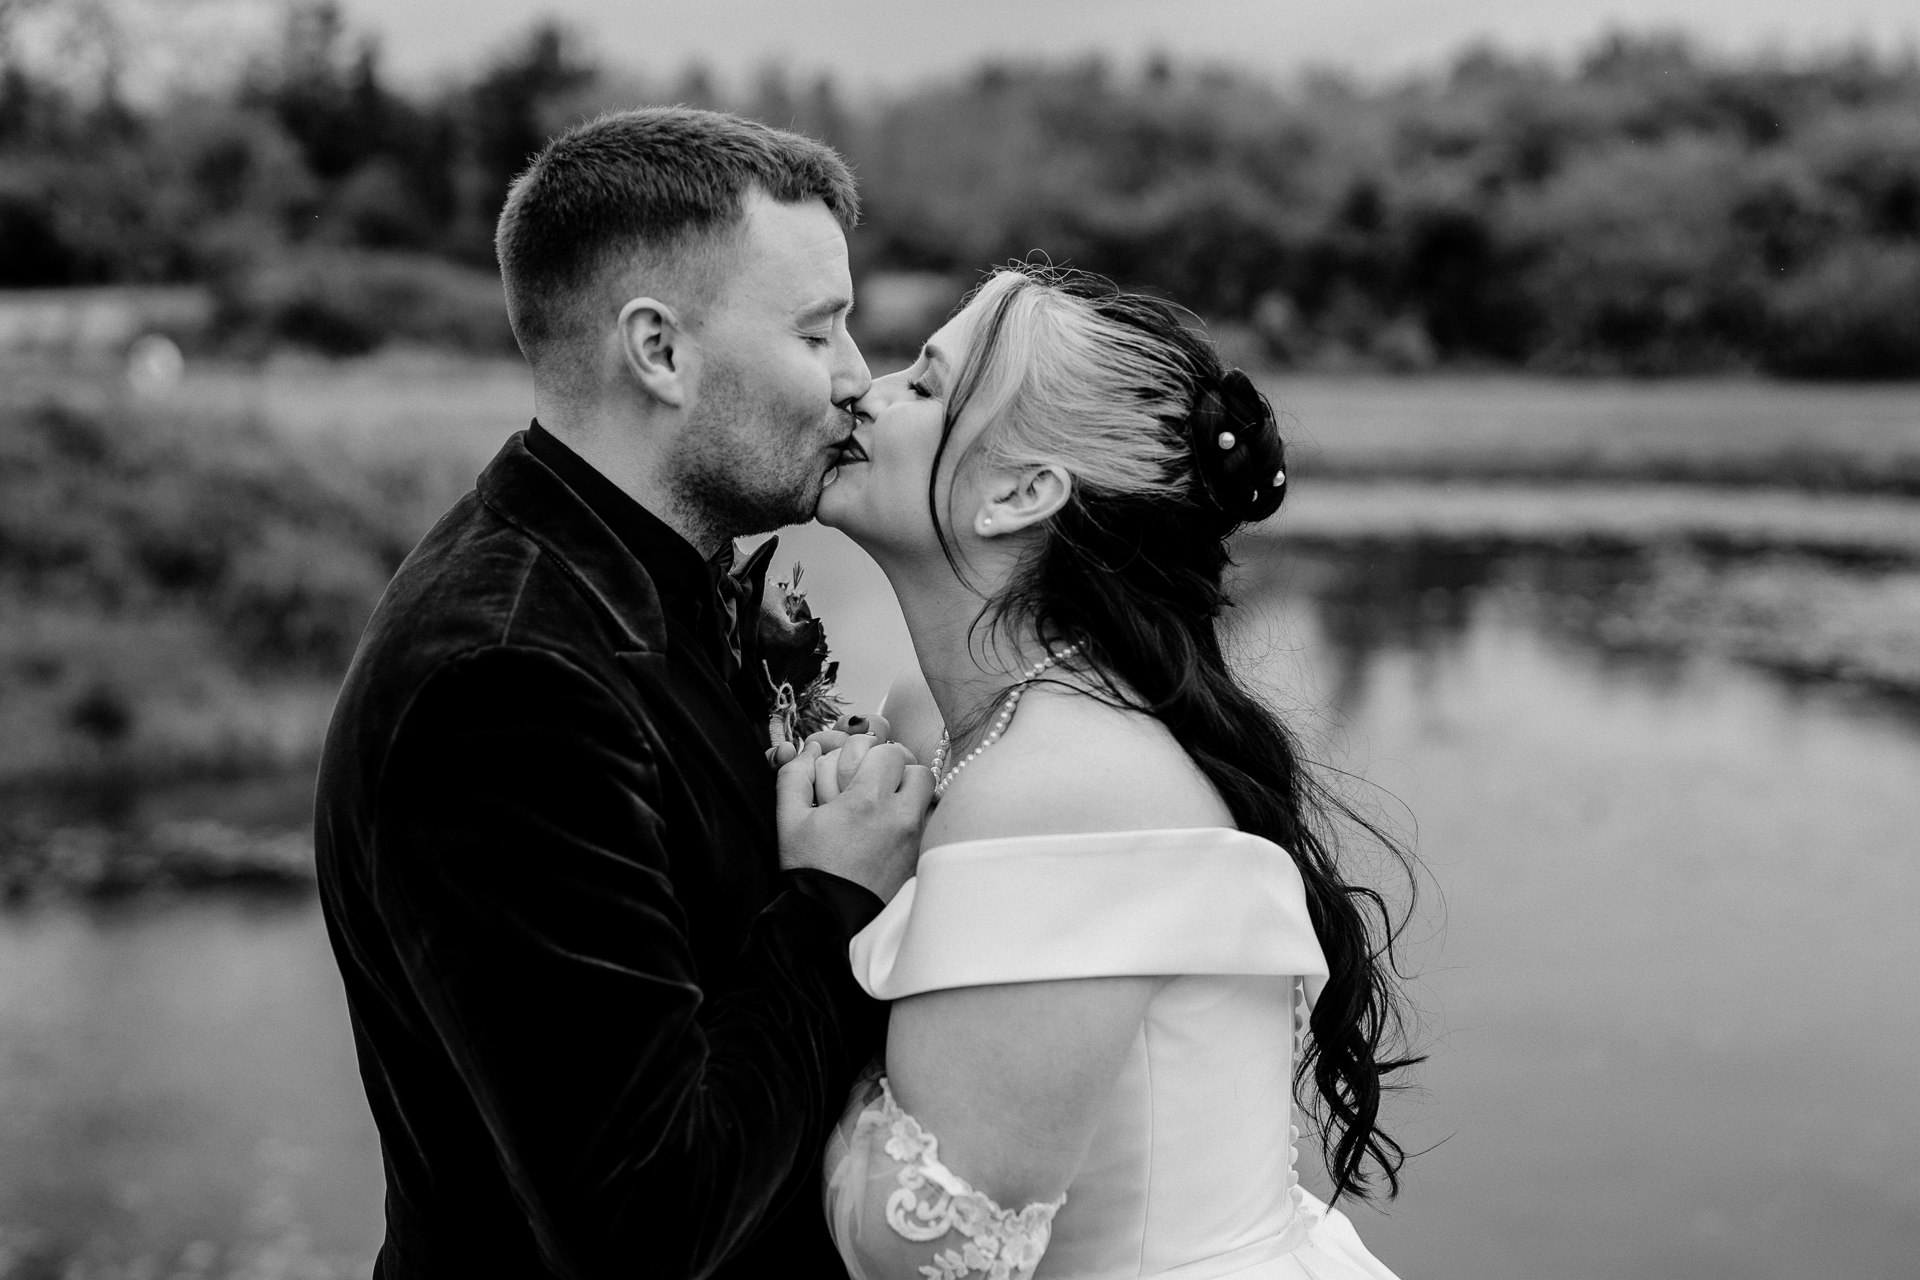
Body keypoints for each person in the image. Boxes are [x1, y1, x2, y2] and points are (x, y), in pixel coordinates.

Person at [313, 107, 933, 1278]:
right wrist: (834, 901)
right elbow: (645, 1221)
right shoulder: (503, 685)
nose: (860, 380)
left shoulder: (648, 584)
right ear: (658, 351)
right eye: (820, 332)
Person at [809, 265, 1419, 1279]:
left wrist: (815, 918)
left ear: (1019, 491)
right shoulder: (955, 723)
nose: (860, 392)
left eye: (922, 386)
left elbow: (925, 1245)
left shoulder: (1059, 784)